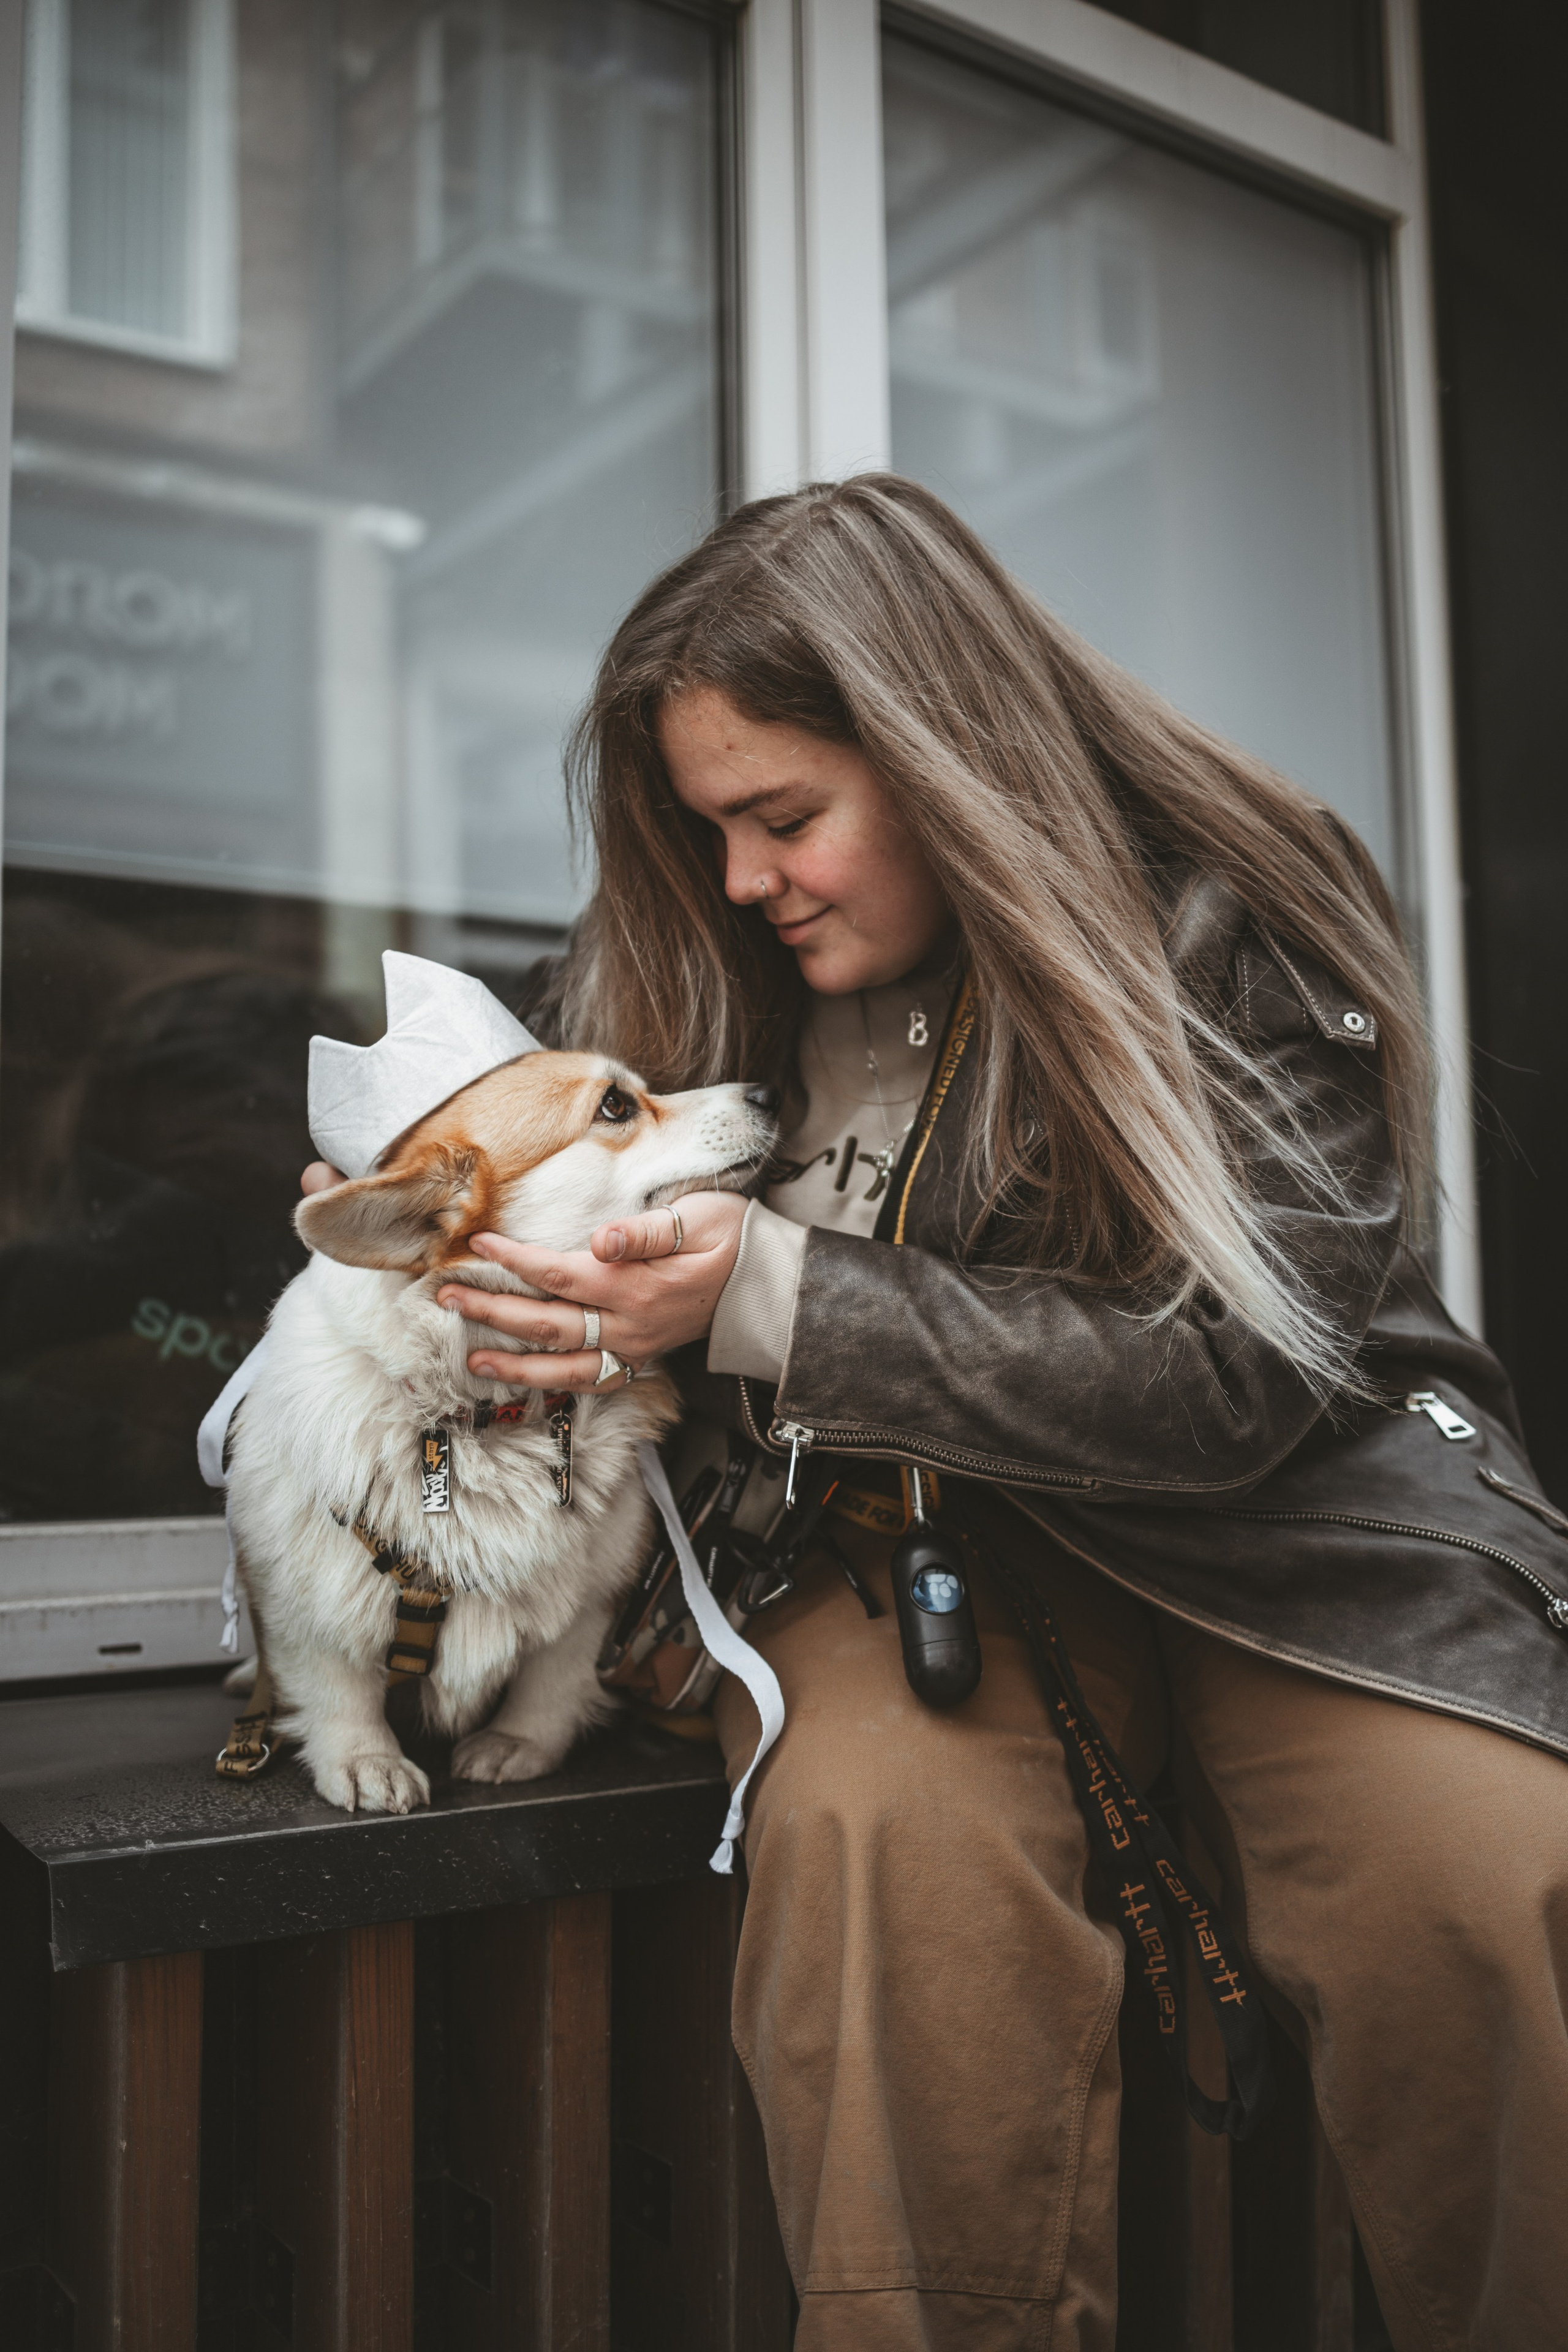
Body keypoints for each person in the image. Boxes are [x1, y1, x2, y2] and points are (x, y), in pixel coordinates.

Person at [307, 477, 1568, 2350]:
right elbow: (598, 1323)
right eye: (708, 827)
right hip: (897, 1555)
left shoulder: (1237, 904)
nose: (742, 879)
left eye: (783, 817)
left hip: (1299, 1541)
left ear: (944, 751)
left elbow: (1249, 1368)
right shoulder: (692, 960)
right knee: (877, 1861)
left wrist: (754, 1292)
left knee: (1480, 1888)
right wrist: (536, 1353)